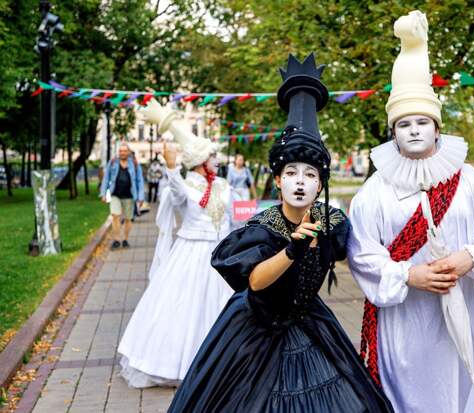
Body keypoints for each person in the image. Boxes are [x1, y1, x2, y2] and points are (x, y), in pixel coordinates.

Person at [167, 53, 393, 413]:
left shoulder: (332, 222)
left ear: (320, 184)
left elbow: (365, 254)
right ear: (277, 180)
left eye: (309, 175)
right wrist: (292, 249)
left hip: (310, 323)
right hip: (255, 330)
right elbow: (255, 282)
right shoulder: (263, 226)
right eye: (291, 173)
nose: (300, 182)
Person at [347, 11, 474, 413]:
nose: (415, 130)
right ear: (393, 132)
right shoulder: (373, 192)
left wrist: (468, 257)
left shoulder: (472, 183)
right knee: (405, 393)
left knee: (456, 389)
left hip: (461, 311)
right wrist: (409, 274)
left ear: (438, 127)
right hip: (404, 320)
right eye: (404, 124)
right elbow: (362, 252)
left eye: (423, 121)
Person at [117, 100, 235, 388]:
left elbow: (233, 218)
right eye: (213, 157)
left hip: (220, 254)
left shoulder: (223, 186)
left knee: (221, 307)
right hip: (191, 254)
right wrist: (170, 167)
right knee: (186, 307)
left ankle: (225, 365)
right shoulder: (182, 187)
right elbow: (177, 192)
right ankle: (179, 365)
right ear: (200, 161)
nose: (217, 161)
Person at [100, 142, 145, 249]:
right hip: (115, 194)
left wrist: (141, 196)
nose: (122, 153)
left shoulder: (134, 163)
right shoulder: (113, 163)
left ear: (128, 152)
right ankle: (116, 239)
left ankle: (125, 239)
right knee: (115, 216)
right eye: (120, 151)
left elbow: (140, 181)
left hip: (129, 195)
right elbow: (106, 178)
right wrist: (103, 193)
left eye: (125, 151)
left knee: (128, 219)